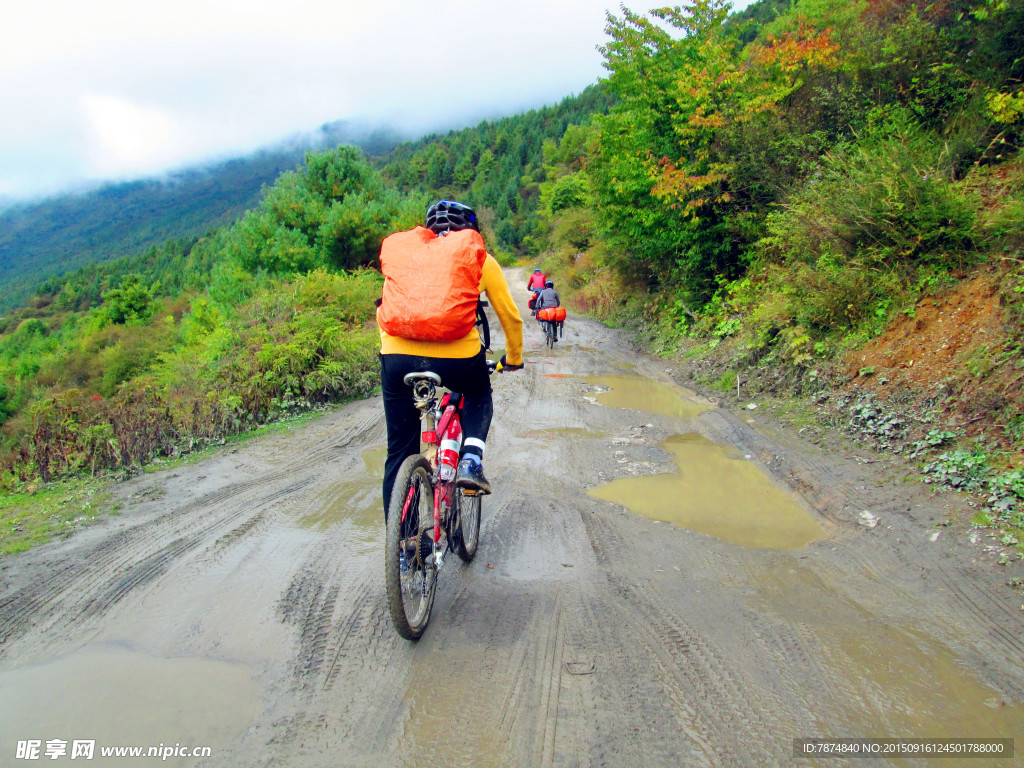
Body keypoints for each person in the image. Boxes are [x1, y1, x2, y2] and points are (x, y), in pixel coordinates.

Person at [377, 200, 524, 517]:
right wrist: (513, 358)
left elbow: (389, 308)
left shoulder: (410, 255)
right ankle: (471, 459)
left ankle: (403, 543)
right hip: (457, 356)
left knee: (398, 451)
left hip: (396, 357)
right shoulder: (478, 256)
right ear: (471, 230)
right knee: (478, 392)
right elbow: (510, 318)